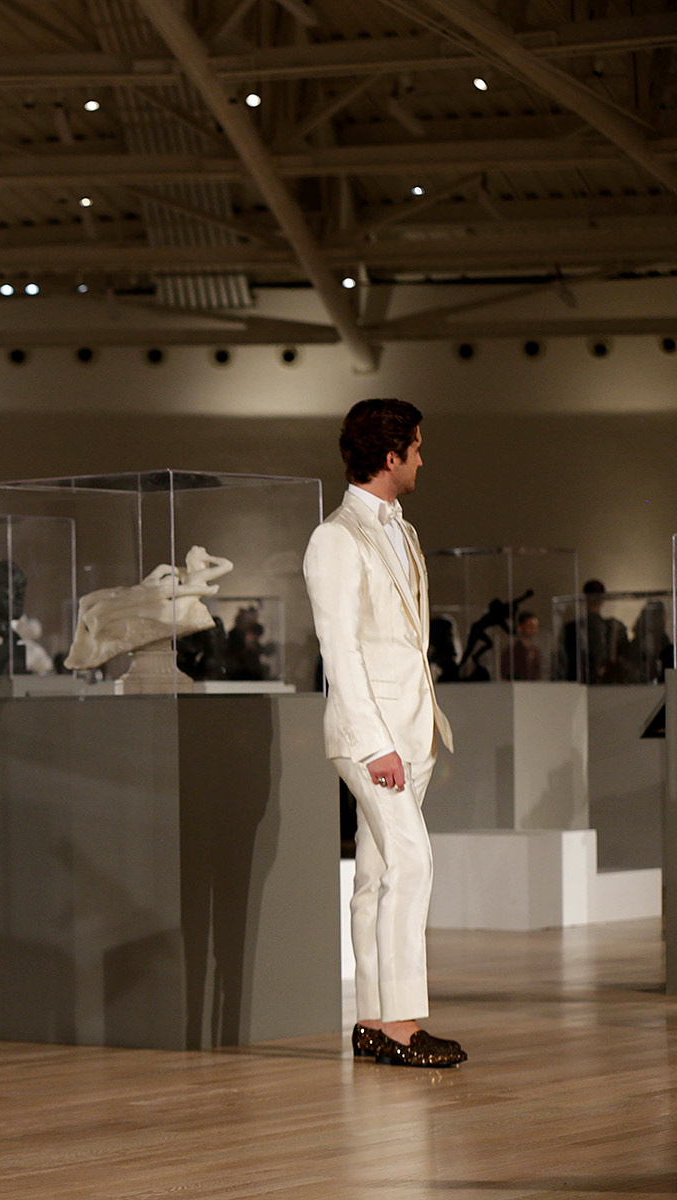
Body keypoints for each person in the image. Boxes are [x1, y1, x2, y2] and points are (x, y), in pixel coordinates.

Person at [303, 398, 465, 1069]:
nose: (423, 458)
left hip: (411, 729)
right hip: (372, 737)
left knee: (374, 874)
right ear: (391, 455)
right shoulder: (335, 538)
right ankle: (401, 1024)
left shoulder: (403, 530)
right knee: (411, 863)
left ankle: (372, 1021)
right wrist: (375, 744)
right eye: (417, 447)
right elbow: (339, 651)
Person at [506, 611, 543, 681]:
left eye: (536, 627)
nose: (534, 630)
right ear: (520, 627)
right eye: (530, 626)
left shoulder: (536, 651)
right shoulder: (512, 651)